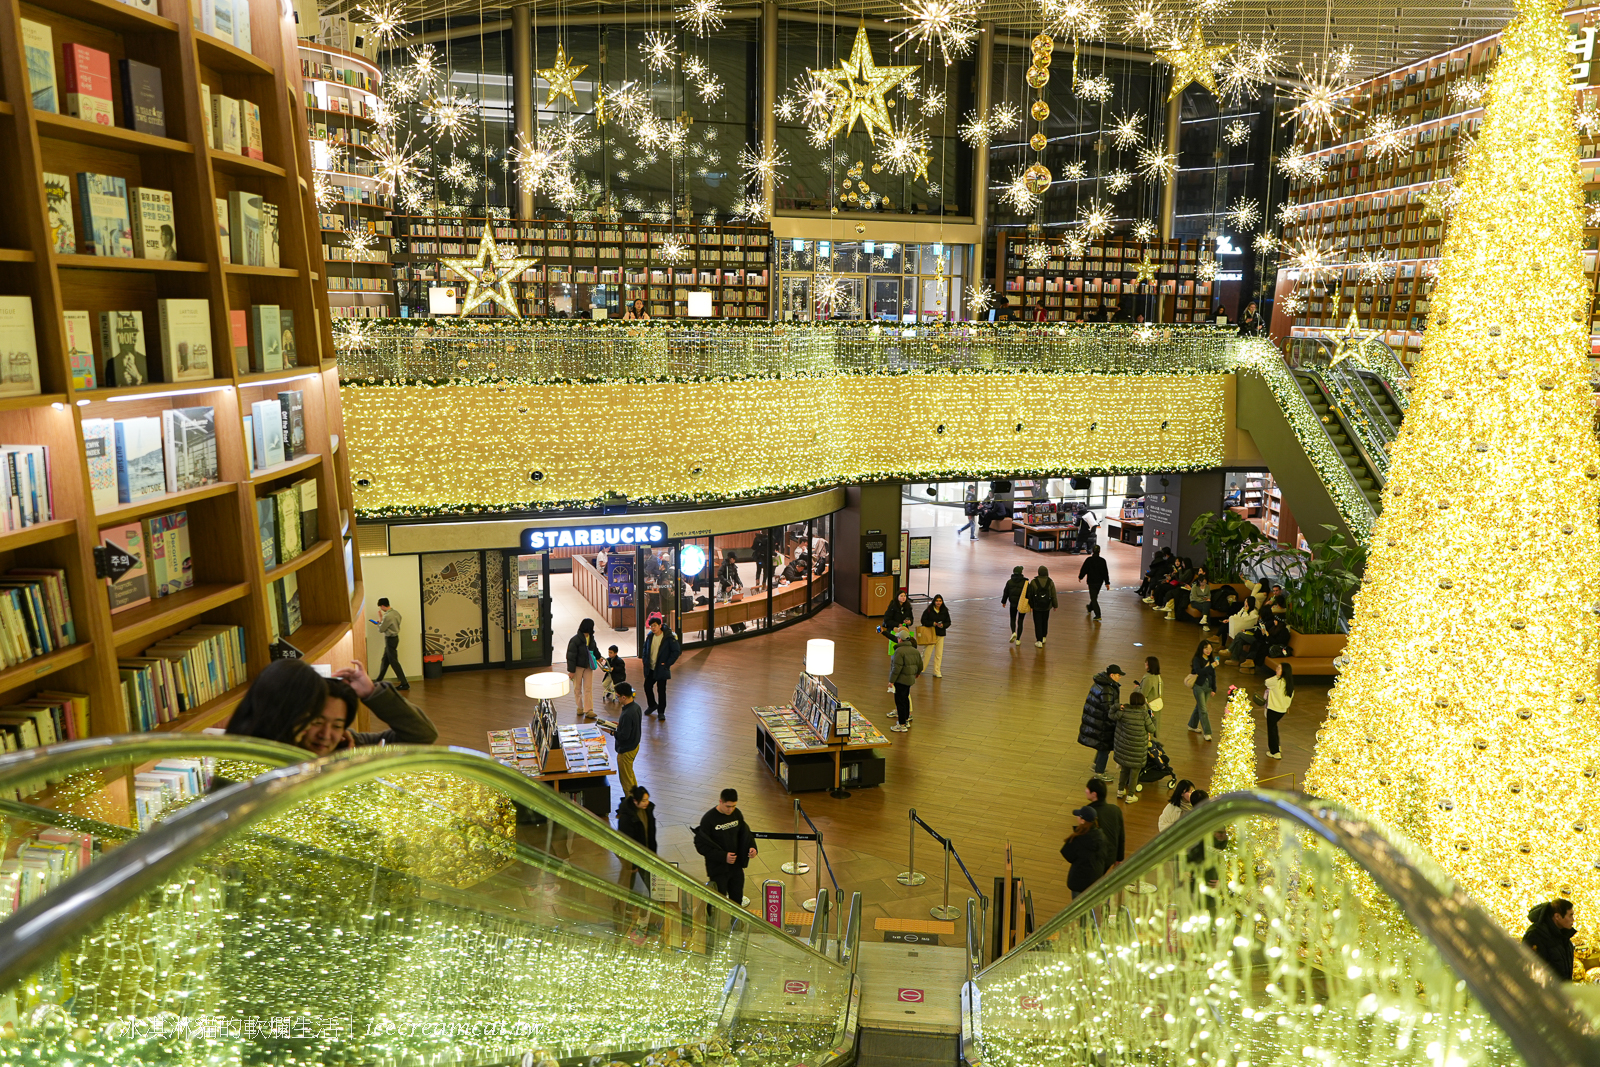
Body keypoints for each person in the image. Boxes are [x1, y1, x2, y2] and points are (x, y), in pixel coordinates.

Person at [227, 658, 437, 756]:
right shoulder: (266, 765)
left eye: (337, 725)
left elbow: (421, 736)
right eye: (316, 722)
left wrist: (372, 693)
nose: (326, 734)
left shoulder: (346, 745)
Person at [694, 788, 757, 904]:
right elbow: (701, 845)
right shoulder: (708, 819)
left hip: (736, 866)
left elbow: (745, 833)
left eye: (733, 806)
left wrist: (752, 847)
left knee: (737, 898)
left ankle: (735, 921)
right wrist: (723, 856)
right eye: (728, 806)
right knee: (719, 901)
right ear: (720, 801)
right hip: (718, 869)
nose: (731, 810)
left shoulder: (736, 814)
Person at [1078, 664, 1123, 777]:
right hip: (1102, 723)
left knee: (1101, 745)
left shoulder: (1100, 683)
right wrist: (1119, 711)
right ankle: (1099, 772)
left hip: (1095, 720)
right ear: (1112, 675)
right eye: (1118, 675)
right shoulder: (1107, 688)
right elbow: (1108, 709)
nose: (1120, 677)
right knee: (1105, 747)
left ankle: (1096, 764)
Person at [1109, 692, 1155, 802]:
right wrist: (1152, 718)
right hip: (1137, 750)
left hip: (1123, 748)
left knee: (1124, 769)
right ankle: (1130, 795)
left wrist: (1116, 706)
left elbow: (1111, 714)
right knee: (1134, 773)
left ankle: (1120, 790)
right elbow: (1152, 729)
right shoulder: (1144, 714)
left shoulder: (1123, 712)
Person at [615, 785, 657, 901]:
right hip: (634, 857)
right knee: (629, 882)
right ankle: (622, 904)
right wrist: (632, 864)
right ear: (635, 801)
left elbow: (650, 834)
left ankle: (623, 903)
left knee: (636, 882)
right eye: (643, 800)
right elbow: (626, 842)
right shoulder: (627, 818)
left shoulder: (647, 810)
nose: (646, 803)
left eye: (647, 799)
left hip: (645, 854)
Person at [1059, 807, 1110, 899]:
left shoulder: (1078, 839)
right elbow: (1106, 855)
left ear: (1083, 821)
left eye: (1079, 816)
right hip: (1096, 878)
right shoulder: (1101, 836)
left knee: (1077, 907)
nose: (1077, 817)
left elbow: (1068, 855)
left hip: (1079, 881)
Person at [1521, 899, 1578, 981]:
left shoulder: (1563, 936)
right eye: (1570, 915)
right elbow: (1531, 971)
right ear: (1557, 917)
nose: (1573, 919)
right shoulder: (1536, 936)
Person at [601, 682, 642, 793]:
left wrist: (611, 731)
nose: (617, 698)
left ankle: (631, 804)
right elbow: (633, 726)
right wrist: (620, 725)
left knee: (626, 781)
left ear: (624, 697)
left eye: (618, 696)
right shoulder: (636, 707)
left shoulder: (627, 713)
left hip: (626, 750)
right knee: (630, 776)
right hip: (634, 746)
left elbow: (624, 736)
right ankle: (636, 797)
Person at [641, 614, 680, 720]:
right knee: (647, 686)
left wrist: (667, 663)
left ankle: (661, 712)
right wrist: (645, 660)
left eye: (654, 625)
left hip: (661, 668)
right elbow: (645, 649)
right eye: (651, 626)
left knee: (661, 690)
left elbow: (676, 651)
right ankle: (652, 705)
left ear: (660, 625)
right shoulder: (650, 636)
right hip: (651, 668)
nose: (652, 628)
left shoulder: (668, 637)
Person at [565, 618, 602, 718]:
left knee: (588, 688)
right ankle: (580, 707)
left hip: (588, 666)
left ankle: (588, 709)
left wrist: (599, 657)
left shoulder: (591, 638)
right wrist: (571, 671)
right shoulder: (575, 640)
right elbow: (571, 656)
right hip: (577, 667)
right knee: (577, 688)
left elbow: (594, 649)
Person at [888, 631, 923, 732]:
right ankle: (906, 720)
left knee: (899, 701)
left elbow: (896, 668)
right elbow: (920, 664)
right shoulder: (914, 650)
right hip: (910, 679)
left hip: (900, 680)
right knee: (906, 699)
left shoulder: (899, 651)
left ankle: (901, 724)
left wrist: (891, 681)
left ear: (900, 639)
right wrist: (917, 673)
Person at [370, 597, 409, 690]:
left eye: (380, 607)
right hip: (395, 638)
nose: (381, 609)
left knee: (394, 662)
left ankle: (404, 683)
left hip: (390, 639)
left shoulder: (387, 616)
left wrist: (380, 619)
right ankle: (378, 680)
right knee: (385, 660)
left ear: (383, 606)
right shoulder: (396, 613)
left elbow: (381, 629)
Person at [1085, 777, 1125, 864]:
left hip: (1096, 859)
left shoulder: (1089, 813)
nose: (1085, 790)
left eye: (1087, 789)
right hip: (1111, 856)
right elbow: (1121, 835)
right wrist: (1119, 858)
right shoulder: (1115, 810)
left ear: (1094, 794)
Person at [1188, 639, 1220, 741]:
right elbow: (1200, 672)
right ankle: (1207, 732)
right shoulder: (1197, 659)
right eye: (1206, 648)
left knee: (1200, 707)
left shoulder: (1211, 660)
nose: (1208, 650)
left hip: (1208, 687)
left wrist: (1214, 688)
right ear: (1201, 649)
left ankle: (1192, 725)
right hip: (1199, 686)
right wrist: (1211, 666)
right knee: (1203, 710)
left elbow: (1213, 675)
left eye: (1210, 648)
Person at [1261, 660, 1294, 759]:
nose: (1276, 670)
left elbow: (1266, 682)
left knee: (1271, 730)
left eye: (1279, 668)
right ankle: (1276, 746)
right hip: (1282, 710)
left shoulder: (1276, 681)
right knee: (1274, 728)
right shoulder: (1289, 683)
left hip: (1273, 709)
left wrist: (1277, 676)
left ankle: (1274, 751)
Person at [1025, 566, 1058, 647]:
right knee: (1045, 621)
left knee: (1038, 623)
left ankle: (1039, 640)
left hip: (1036, 606)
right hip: (1047, 606)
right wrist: (1055, 605)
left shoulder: (1033, 582)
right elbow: (1053, 595)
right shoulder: (1050, 582)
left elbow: (1030, 595)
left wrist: (1031, 605)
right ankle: (1044, 636)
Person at [920, 594, 951, 678]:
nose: (938, 602)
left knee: (939, 654)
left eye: (940, 601)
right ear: (934, 601)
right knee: (927, 652)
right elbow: (923, 620)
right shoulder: (929, 610)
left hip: (940, 634)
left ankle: (937, 670)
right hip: (930, 634)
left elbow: (948, 622)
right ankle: (921, 668)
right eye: (937, 601)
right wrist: (933, 623)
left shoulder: (945, 611)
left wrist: (943, 625)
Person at [1078, 544, 1109, 620]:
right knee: (1094, 597)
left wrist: (1080, 577)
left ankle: (1098, 615)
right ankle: (1089, 607)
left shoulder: (1089, 560)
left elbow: (1084, 569)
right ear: (1099, 551)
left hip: (1091, 582)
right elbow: (1105, 572)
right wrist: (1107, 582)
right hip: (1099, 582)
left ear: (1092, 551)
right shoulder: (1102, 561)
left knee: (1094, 598)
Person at [1001, 565, 1029, 645]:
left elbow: (1005, 592)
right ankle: (1018, 640)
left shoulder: (1009, 582)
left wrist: (1004, 602)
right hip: (1022, 604)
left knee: (1013, 618)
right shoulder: (1025, 582)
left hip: (1013, 604)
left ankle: (1013, 632)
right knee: (1020, 621)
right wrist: (1031, 605)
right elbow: (1028, 594)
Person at [1138, 656, 1164, 735]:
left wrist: (1137, 688)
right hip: (1156, 705)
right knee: (1155, 726)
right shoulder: (1158, 678)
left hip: (1148, 707)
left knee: (1147, 728)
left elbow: (1143, 694)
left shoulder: (1148, 678)